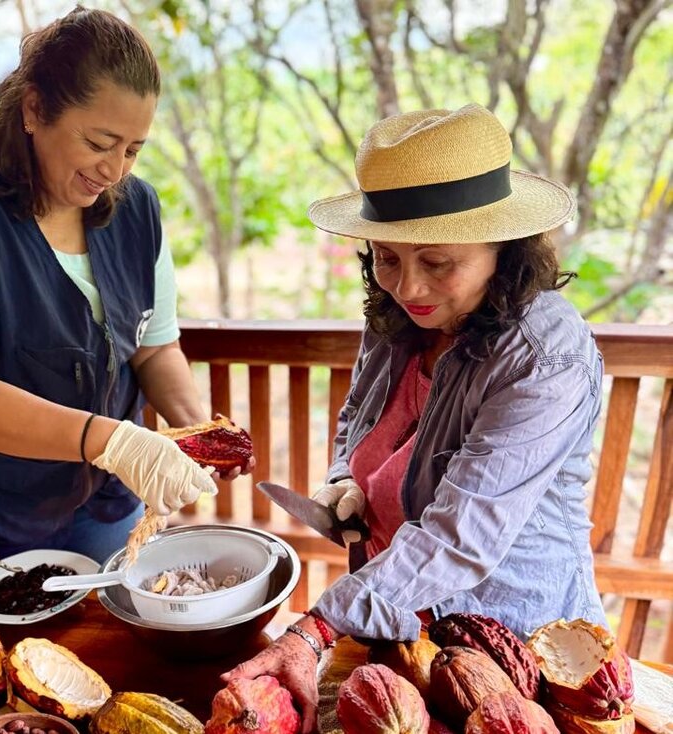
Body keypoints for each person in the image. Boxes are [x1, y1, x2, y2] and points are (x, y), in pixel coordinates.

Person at [222, 104, 606, 732]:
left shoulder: (545, 357)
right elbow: (360, 413)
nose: (408, 286)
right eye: (386, 257)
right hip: (404, 624)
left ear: (503, 248)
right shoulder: (399, 314)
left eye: (437, 261)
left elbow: (461, 534)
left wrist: (317, 628)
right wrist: (347, 474)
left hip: (518, 643)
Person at [0, 6, 251, 563]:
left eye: (132, 150)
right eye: (100, 142)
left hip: (107, 501)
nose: (115, 170)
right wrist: (115, 441)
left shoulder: (137, 210)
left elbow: (154, 349)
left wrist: (193, 433)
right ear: (34, 109)